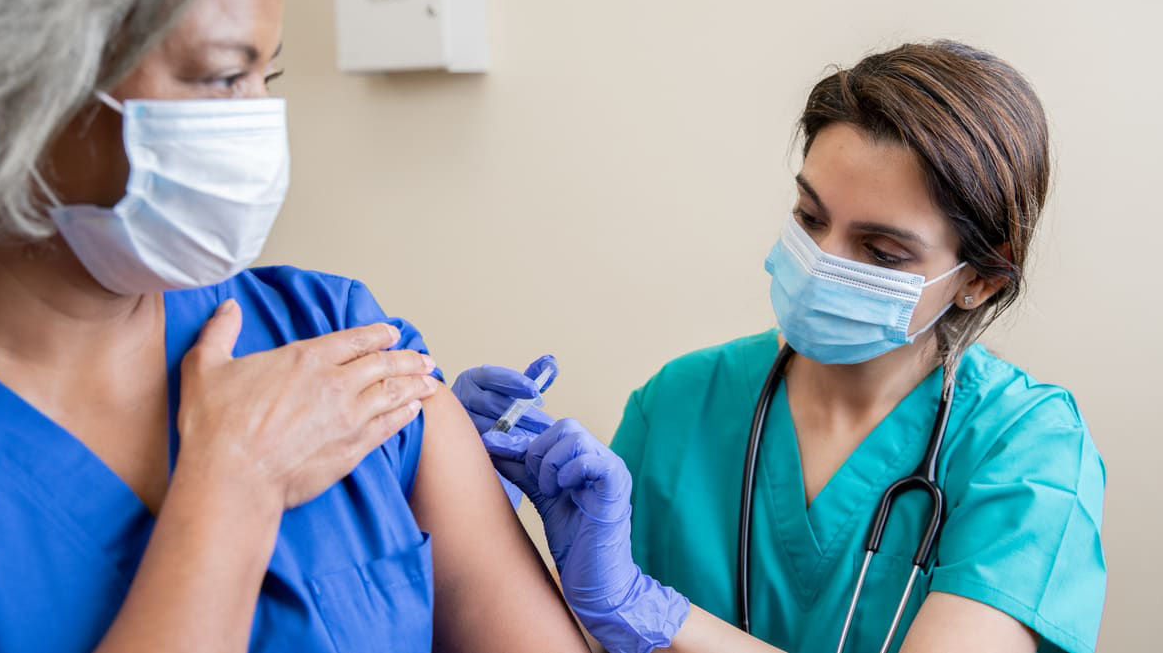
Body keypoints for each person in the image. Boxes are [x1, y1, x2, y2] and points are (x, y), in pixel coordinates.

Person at [0, 0, 588, 651]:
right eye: (224, 76)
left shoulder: (327, 333)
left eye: (270, 73)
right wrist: (232, 488)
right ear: (18, 73)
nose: (260, 121)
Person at [454, 42, 1106, 653]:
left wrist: (650, 608)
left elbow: (627, 609)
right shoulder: (679, 404)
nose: (822, 262)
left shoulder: (1030, 453)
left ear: (980, 277)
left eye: (881, 252)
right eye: (810, 217)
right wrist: (474, 512)